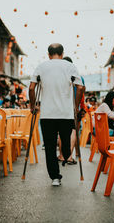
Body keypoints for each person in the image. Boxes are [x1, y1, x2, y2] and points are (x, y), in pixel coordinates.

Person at [29, 43, 83, 186]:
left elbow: (31, 87)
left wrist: (32, 105)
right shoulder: (69, 66)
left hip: (47, 114)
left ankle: (55, 177)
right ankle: (66, 155)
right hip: (66, 114)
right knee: (65, 142)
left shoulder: (42, 66)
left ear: (48, 54)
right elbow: (81, 87)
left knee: (50, 146)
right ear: (62, 52)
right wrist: (75, 107)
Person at [57, 56, 85, 164]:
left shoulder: (59, 77)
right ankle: (68, 157)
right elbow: (81, 91)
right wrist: (79, 107)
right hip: (74, 106)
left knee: (61, 131)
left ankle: (61, 155)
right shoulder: (79, 77)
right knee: (73, 131)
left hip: (61, 107)